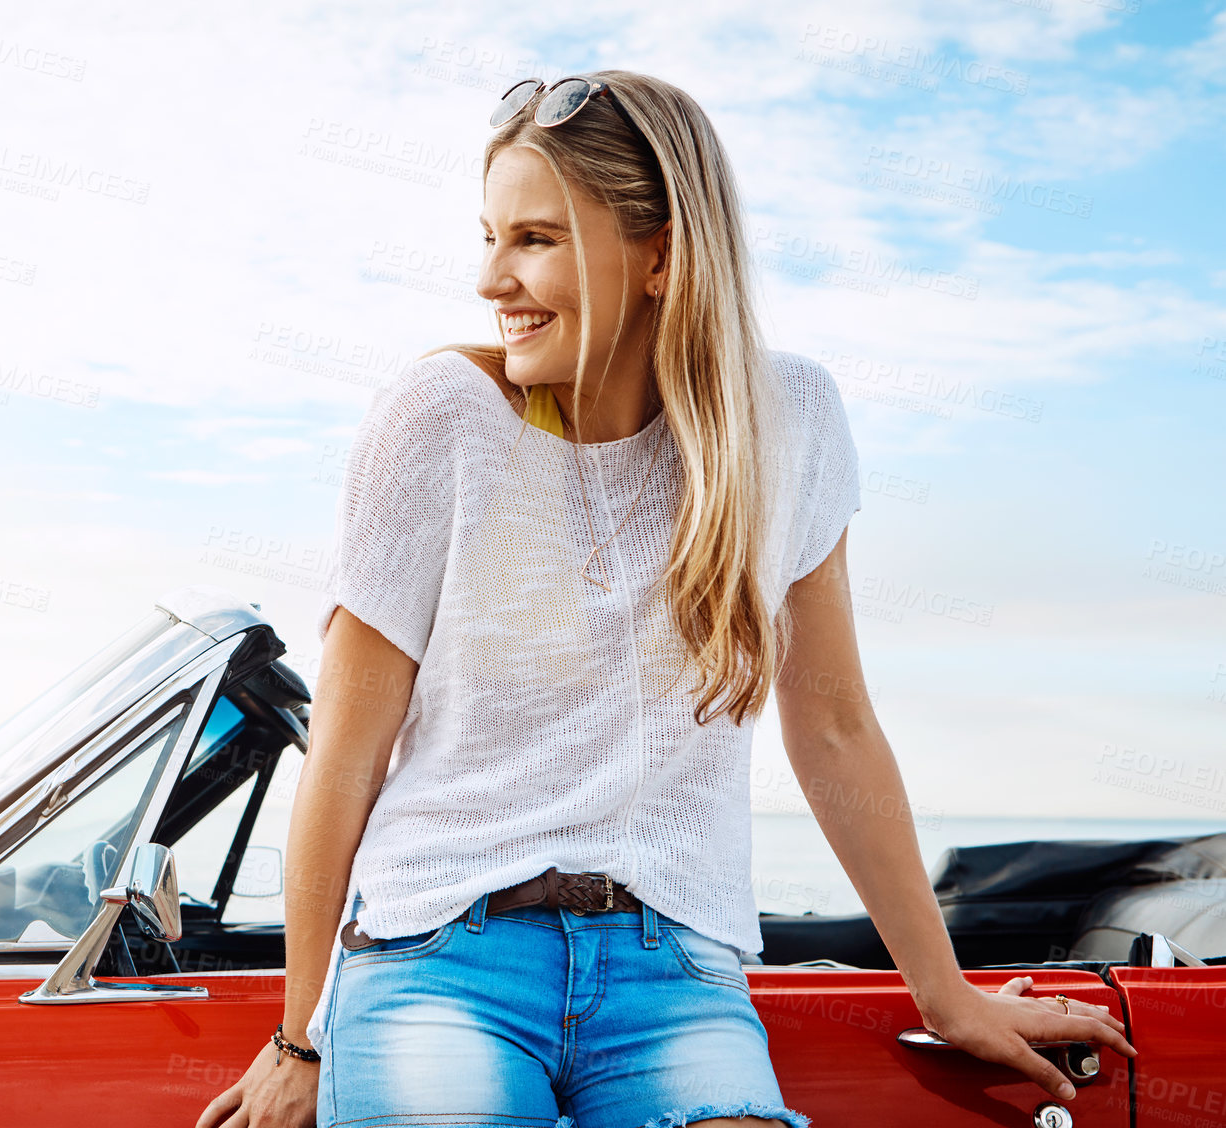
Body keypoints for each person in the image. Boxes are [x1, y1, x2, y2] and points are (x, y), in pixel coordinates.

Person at [195, 69, 1135, 1128]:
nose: (489, 279)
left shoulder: (789, 422)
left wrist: (943, 991)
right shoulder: (440, 417)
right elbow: (347, 753)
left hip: (674, 973)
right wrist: (298, 1031)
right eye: (490, 236)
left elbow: (830, 727)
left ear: (661, 256)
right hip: (435, 960)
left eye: (535, 239)